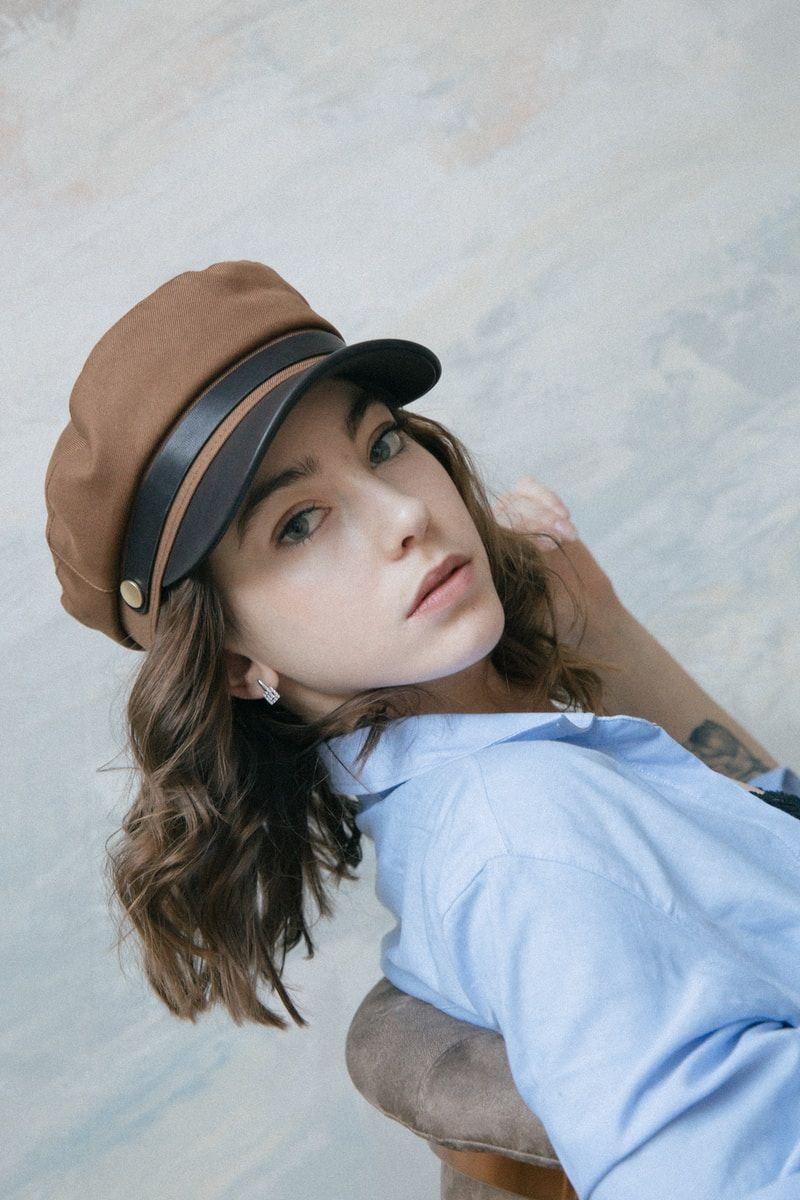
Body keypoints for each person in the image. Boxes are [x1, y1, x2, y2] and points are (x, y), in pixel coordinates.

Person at [44, 260, 800, 1200]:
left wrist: (608, 638)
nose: (406, 513)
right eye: (299, 523)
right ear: (237, 662)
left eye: (384, 444)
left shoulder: (505, 798)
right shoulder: (522, 835)